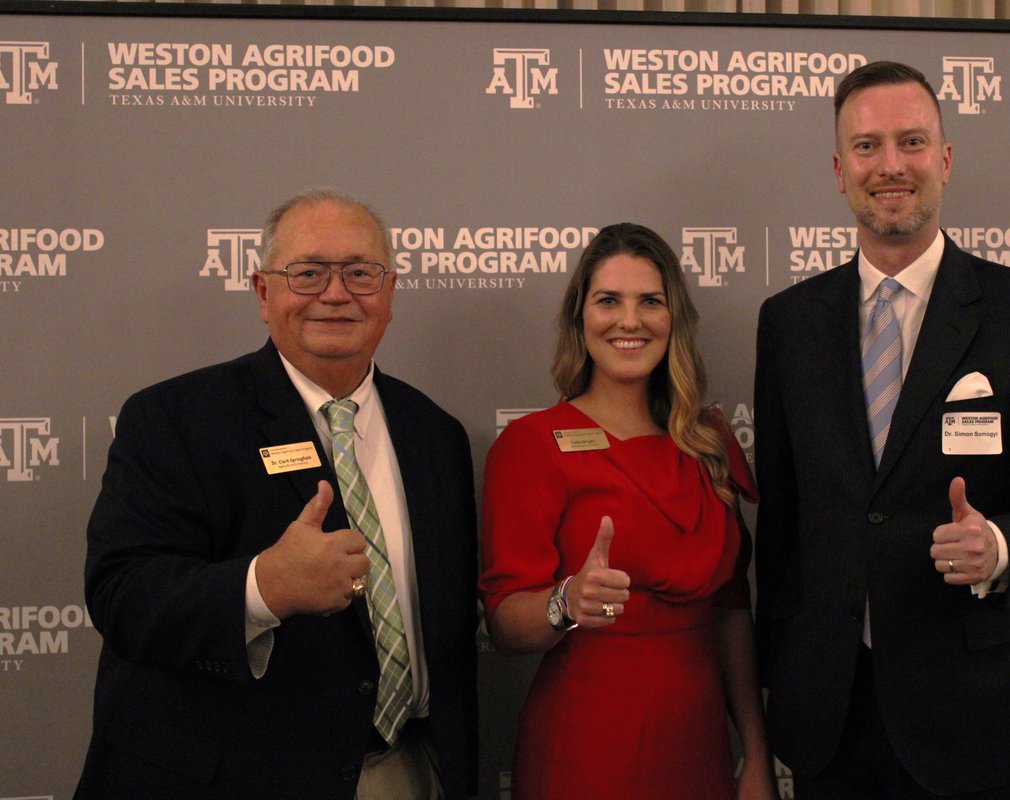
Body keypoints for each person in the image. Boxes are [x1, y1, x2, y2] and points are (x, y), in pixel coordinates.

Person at [754, 62, 1010, 800]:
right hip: (831, 723)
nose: (890, 166)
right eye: (867, 146)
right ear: (839, 169)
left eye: (912, 142)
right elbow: (783, 532)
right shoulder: (787, 324)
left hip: (973, 717)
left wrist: (1002, 546)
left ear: (944, 160)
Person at [77, 189, 478, 800]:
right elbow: (122, 596)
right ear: (264, 294)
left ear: (390, 292)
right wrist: (263, 588)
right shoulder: (174, 418)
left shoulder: (436, 435)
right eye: (308, 273)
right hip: (235, 778)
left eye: (360, 273)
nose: (336, 293)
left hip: (406, 770)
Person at [479, 223, 776, 800]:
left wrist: (758, 754)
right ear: (579, 317)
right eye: (608, 300)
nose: (629, 321)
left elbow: (732, 610)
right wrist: (567, 601)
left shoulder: (708, 440)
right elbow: (503, 623)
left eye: (650, 301)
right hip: (586, 744)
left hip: (699, 744)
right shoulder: (532, 444)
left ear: (674, 319)